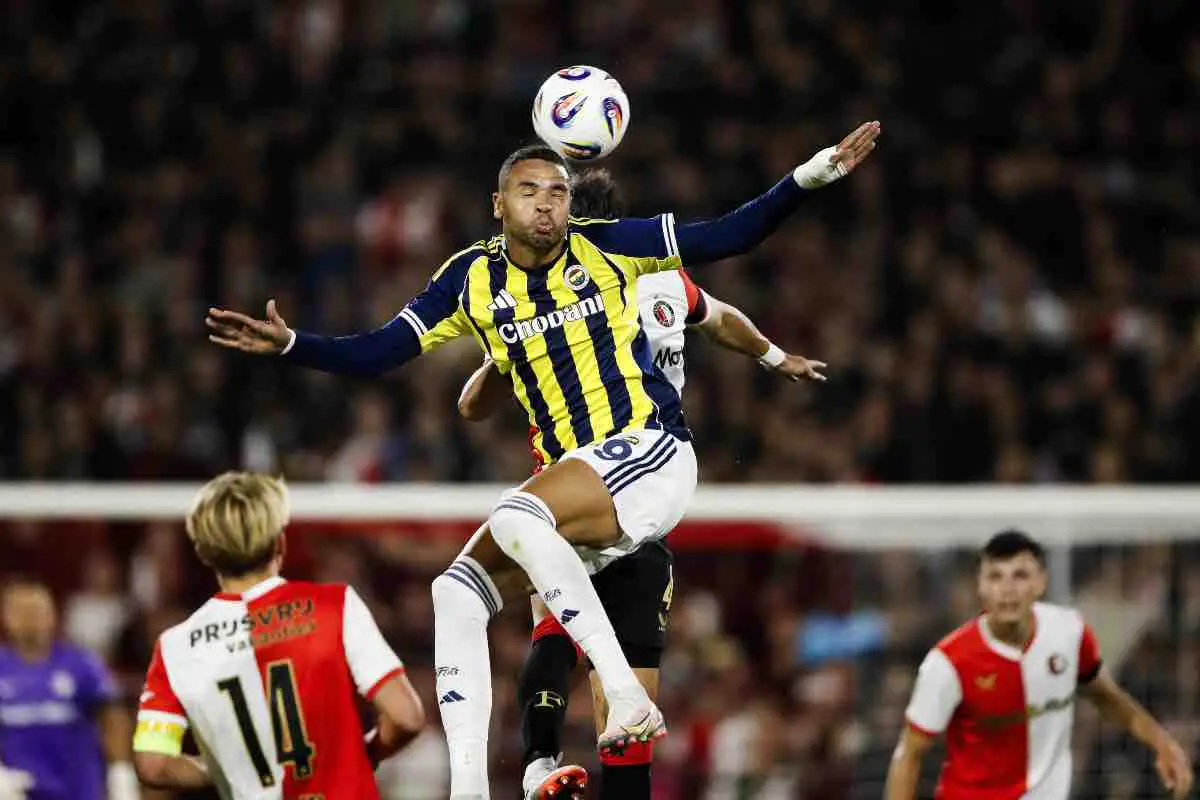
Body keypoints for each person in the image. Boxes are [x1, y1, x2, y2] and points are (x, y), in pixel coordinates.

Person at [206, 121, 881, 799]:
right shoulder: (469, 279)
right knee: (456, 591)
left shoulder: (609, 246)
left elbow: (729, 235)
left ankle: (624, 697)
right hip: (575, 493)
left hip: (650, 453)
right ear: (498, 205)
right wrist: (294, 344)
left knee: (517, 518)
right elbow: (380, 351)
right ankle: (470, 788)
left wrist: (813, 174)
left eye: (557, 192)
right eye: (529, 192)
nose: (546, 204)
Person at [457, 167, 825, 800]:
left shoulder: (554, 295)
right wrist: (774, 357)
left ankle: (538, 761)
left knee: (552, 626)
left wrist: (504, 346)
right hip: (648, 491)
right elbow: (722, 318)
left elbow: (471, 406)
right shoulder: (665, 281)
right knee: (629, 699)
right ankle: (579, 769)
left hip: (578, 489)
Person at [132, 471, 425, 798]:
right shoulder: (335, 607)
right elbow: (406, 717)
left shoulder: (175, 647)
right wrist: (365, 753)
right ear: (279, 542)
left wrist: (221, 770)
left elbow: (153, 764)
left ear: (204, 552)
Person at [884, 529, 1194, 800]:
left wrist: (1161, 742)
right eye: (995, 577)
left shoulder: (1068, 632)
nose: (1007, 589)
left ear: (1041, 583)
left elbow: (1104, 695)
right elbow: (909, 754)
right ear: (981, 587)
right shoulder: (948, 663)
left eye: (1020, 576)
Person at [0, 576, 139, 800]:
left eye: (35, 610)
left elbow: (113, 719)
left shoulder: (81, 664)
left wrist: (121, 774)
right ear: (6, 616)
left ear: (52, 614)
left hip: (76, 792)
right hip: (18, 791)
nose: (29, 619)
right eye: (21, 611)